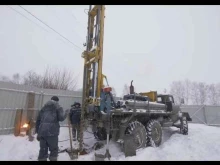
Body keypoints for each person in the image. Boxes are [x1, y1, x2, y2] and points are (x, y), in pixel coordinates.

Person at [35, 96, 69, 161]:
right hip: (52, 133)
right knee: (53, 150)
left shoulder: (43, 108)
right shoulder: (58, 107)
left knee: (43, 150)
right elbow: (61, 118)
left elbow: (38, 120)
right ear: (57, 101)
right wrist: (66, 113)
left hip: (42, 132)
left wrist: (38, 132)